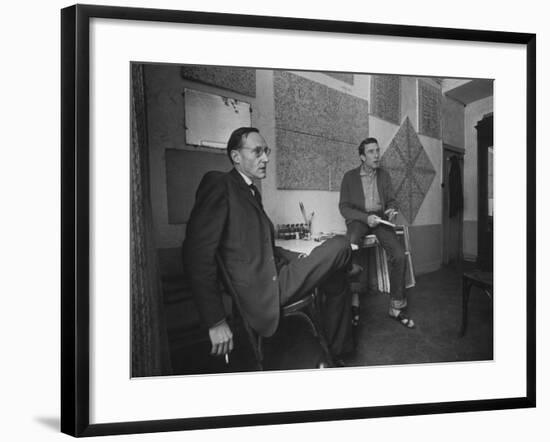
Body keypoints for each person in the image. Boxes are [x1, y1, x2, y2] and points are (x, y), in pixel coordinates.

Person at [183, 127, 355, 366]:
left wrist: (300, 257)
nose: (265, 158)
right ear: (236, 157)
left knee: (337, 278)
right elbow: (196, 255)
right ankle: (347, 270)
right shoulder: (219, 184)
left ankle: (336, 352)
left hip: (276, 275)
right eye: (257, 152)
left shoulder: (251, 192)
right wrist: (215, 321)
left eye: (266, 151)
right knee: (340, 244)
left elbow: (267, 248)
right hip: (264, 291)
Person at [339, 137, 415, 328]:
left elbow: (391, 201)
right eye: (371, 152)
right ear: (362, 157)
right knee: (352, 243)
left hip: (380, 219)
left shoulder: (384, 176)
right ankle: (354, 303)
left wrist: (391, 210)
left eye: (377, 151)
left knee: (399, 255)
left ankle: (396, 307)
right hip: (359, 219)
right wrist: (365, 218)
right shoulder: (349, 177)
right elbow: (344, 208)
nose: (376, 155)